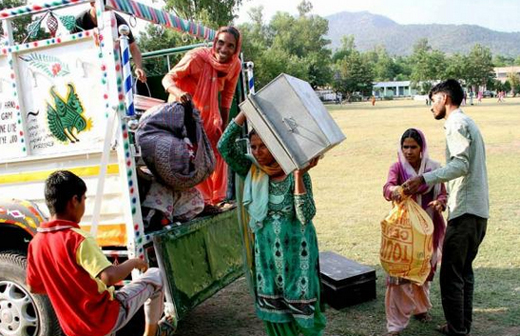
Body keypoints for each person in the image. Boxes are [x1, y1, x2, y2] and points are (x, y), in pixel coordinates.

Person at [26, 170, 175, 336]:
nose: (84, 205)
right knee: (156, 276)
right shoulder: (77, 239)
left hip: (73, 328)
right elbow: (109, 277)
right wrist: (134, 262)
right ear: (74, 201)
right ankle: (152, 333)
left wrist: (66, 289)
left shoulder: (36, 243)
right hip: (103, 317)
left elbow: (34, 286)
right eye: (84, 199)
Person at [217, 112, 326, 336]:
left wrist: (297, 177)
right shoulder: (252, 170)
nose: (257, 152)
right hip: (266, 256)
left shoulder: (297, 173)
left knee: (303, 306)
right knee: (274, 309)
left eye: (263, 146)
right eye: (253, 147)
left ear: (275, 145)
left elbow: (305, 215)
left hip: (298, 255)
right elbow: (224, 146)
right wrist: (245, 113)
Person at [404, 79, 489, 336]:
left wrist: (424, 178)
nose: (431, 107)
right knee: (463, 272)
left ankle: (457, 330)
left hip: (465, 211)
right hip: (477, 211)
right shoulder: (467, 122)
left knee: (451, 275)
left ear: (444, 98)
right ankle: (460, 325)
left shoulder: (456, 123)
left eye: (433, 100)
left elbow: (461, 165)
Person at [162, 26, 242, 210]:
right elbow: (168, 78)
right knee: (196, 153)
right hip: (182, 114)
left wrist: (224, 127)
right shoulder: (197, 57)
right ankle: (202, 202)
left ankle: (217, 198)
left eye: (230, 46)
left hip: (209, 114)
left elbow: (227, 98)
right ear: (215, 42)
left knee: (220, 147)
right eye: (221, 42)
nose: (224, 49)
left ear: (236, 49)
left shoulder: (234, 65)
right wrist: (179, 92)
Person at [382, 128, 447, 336]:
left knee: (423, 271)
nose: (408, 151)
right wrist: (397, 191)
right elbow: (387, 188)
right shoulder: (397, 168)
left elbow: (443, 193)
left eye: (413, 147)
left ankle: (420, 309)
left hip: (428, 230)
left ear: (422, 148)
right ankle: (395, 326)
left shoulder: (434, 169)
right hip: (403, 232)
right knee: (399, 273)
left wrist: (440, 203)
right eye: (405, 147)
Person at [72, 2, 146, 82]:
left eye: (110, 6)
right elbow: (71, 49)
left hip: (116, 69)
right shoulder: (78, 22)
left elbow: (133, 47)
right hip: (89, 71)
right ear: (92, 3)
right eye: (104, 5)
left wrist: (138, 67)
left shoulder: (119, 22)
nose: (107, 11)